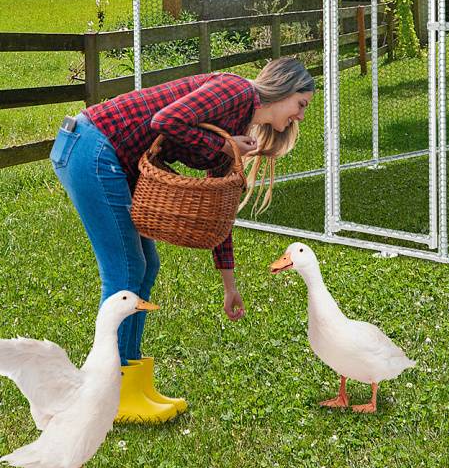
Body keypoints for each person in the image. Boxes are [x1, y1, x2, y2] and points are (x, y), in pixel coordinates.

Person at [48, 56, 314, 422]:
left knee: (146, 264)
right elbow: (166, 121)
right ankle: (114, 393)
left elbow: (221, 214)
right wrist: (222, 147)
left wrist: (229, 286)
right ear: (284, 88)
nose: (300, 116)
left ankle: (133, 381)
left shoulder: (236, 133)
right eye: (301, 104)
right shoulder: (237, 91)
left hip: (105, 153)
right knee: (126, 266)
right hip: (92, 145)